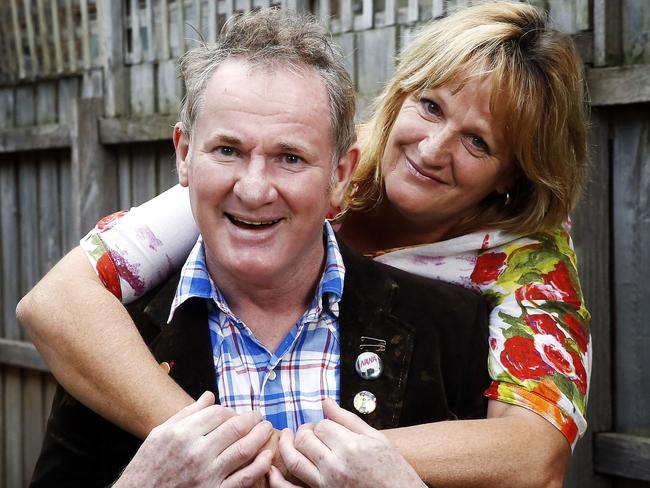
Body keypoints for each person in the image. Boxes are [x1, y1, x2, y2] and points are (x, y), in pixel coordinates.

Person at [18, 1, 590, 487]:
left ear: (514, 175)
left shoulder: (521, 266)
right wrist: (210, 445)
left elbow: (533, 453)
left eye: (478, 141)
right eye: (431, 105)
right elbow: (56, 301)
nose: (433, 148)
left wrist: (327, 460)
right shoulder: (287, 144)